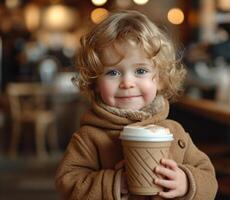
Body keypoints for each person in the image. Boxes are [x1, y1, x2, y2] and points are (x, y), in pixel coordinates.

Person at [55, 10, 218, 200]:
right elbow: (67, 183)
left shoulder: (174, 132)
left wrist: (186, 182)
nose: (127, 83)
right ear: (96, 82)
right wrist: (114, 183)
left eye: (140, 70)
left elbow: (209, 178)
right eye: (113, 73)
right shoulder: (89, 137)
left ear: (160, 79)